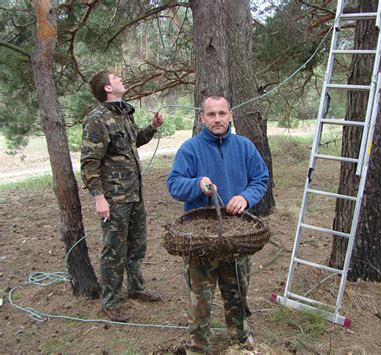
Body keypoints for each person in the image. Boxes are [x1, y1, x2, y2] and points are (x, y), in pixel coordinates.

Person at [167, 94, 269, 354]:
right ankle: (197, 348)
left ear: (231, 115)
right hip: (200, 239)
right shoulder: (190, 149)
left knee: (237, 294)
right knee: (200, 300)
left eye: (222, 113)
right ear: (202, 118)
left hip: (237, 235)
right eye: (211, 114)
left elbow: (260, 178)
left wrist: (245, 197)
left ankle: (240, 341)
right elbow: (174, 184)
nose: (217, 119)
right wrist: (197, 184)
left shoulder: (245, 147)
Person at [81, 70, 164, 322]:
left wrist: (152, 127)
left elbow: (134, 141)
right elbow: (88, 162)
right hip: (115, 199)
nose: (121, 80)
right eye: (116, 78)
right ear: (107, 88)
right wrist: (98, 197)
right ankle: (110, 302)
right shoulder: (97, 119)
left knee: (137, 246)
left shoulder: (123, 114)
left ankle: (136, 289)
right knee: (114, 250)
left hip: (134, 195)